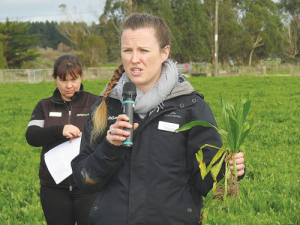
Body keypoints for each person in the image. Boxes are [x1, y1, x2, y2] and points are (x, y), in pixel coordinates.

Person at [71, 13, 245, 225]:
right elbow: (84, 180)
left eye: (143, 50)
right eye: (127, 50)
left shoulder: (191, 108)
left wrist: (228, 170)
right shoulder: (104, 108)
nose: (134, 59)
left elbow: (206, 184)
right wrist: (109, 148)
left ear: (165, 53)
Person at [26, 54, 99, 225]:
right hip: (53, 188)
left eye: (74, 79)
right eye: (63, 80)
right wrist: (60, 130)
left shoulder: (95, 103)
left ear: (81, 77)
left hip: (87, 186)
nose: (69, 86)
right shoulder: (44, 106)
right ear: (55, 79)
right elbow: (32, 136)